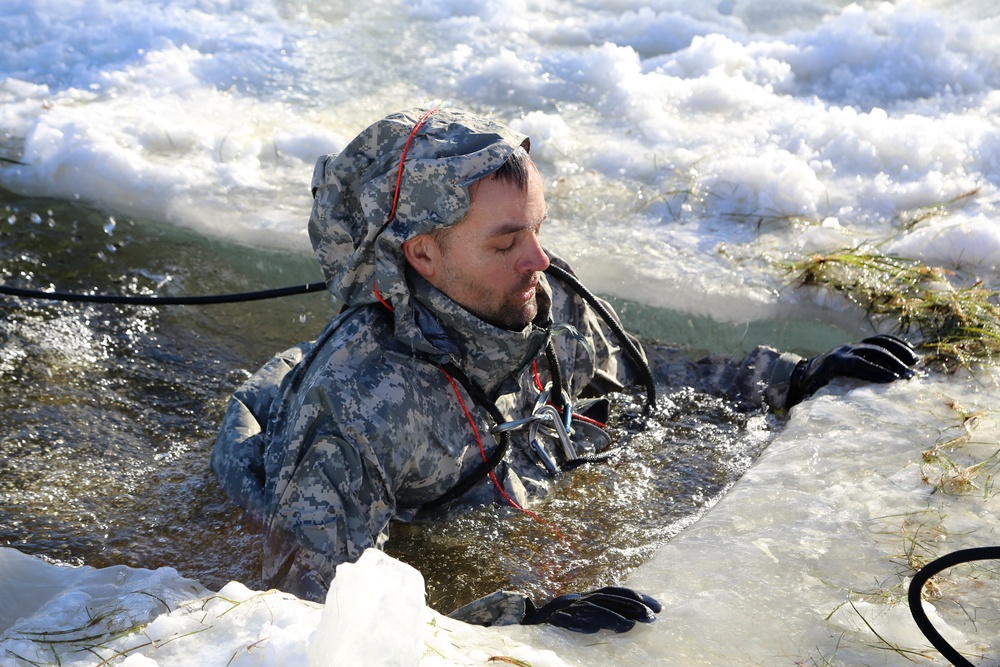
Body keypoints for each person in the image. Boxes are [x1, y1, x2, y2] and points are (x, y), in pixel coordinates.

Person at [211, 107, 918, 632]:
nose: (539, 261)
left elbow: (639, 373)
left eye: (539, 228)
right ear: (422, 255)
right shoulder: (355, 404)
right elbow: (312, 610)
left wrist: (786, 376)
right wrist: (516, 616)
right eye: (506, 241)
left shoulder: (537, 298)